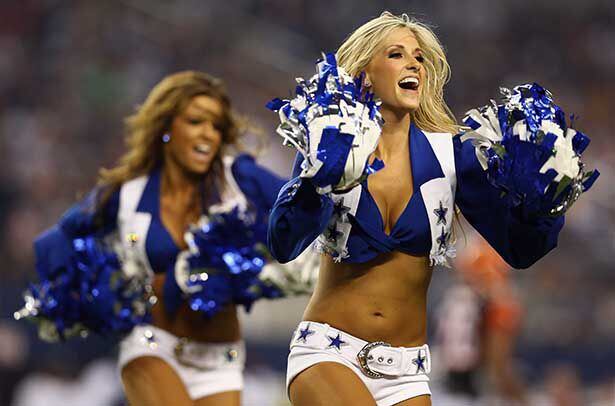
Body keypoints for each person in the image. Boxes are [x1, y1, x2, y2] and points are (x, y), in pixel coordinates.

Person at [268, 12, 573, 406]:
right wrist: (317, 180)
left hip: (408, 373)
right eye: (396, 55)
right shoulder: (334, 144)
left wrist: (543, 205)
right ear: (364, 73)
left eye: (419, 57)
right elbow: (283, 242)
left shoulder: (453, 155)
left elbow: (521, 250)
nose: (413, 63)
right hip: (329, 352)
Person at [29, 71, 289, 406]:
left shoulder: (238, 178)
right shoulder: (129, 192)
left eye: (216, 124)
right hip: (151, 341)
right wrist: (90, 297)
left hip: (217, 352)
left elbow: (297, 212)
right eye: (196, 121)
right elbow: (59, 240)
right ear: (167, 128)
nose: (207, 133)